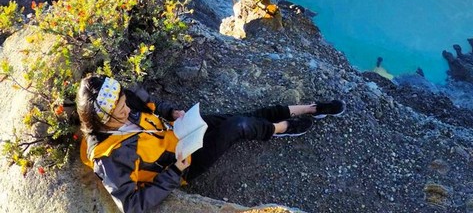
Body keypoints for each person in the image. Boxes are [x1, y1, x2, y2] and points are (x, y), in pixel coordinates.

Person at [76, 75, 345, 213]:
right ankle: (281, 128)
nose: (126, 109)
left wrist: (170, 113)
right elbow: (133, 206)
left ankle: (309, 108)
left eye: (124, 102)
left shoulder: (122, 101)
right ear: (102, 119)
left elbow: (151, 104)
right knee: (237, 126)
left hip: (179, 131)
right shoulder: (108, 157)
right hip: (183, 164)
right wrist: (173, 173)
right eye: (120, 110)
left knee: (241, 116)